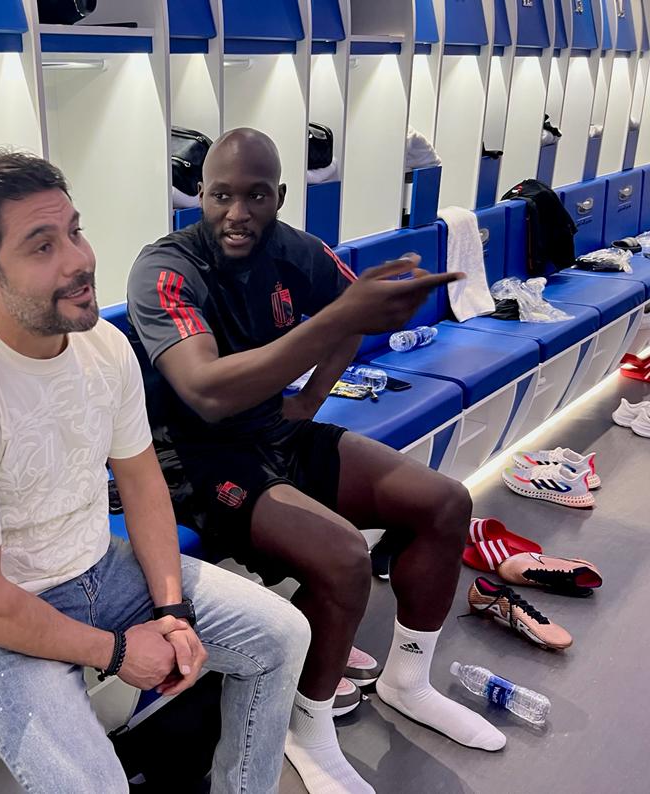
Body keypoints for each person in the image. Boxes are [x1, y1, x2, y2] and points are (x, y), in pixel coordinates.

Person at [0, 150, 311, 793]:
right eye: (42, 246)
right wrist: (117, 652)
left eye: (74, 231)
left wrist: (171, 609)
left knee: (281, 635)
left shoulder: (103, 347)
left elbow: (140, 480)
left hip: (99, 566)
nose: (79, 259)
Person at [127, 129, 506, 794]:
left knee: (445, 503)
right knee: (344, 558)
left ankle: (408, 681)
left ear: (279, 195)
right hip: (198, 457)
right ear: (199, 194)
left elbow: (353, 315)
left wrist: (311, 399)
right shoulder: (167, 268)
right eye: (220, 195)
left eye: (255, 196)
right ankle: (307, 724)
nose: (237, 213)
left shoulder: (296, 249)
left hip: (279, 432)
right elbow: (207, 391)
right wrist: (333, 325)